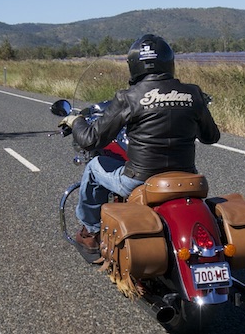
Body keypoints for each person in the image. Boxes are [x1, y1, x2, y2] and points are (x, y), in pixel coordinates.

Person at [59, 34, 220, 261]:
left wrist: (76, 121)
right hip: (187, 178)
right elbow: (211, 136)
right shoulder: (193, 93)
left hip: (139, 179)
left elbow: (91, 140)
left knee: (94, 166)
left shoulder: (129, 97)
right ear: (169, 62)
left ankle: (91, 232)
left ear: (134, 65)